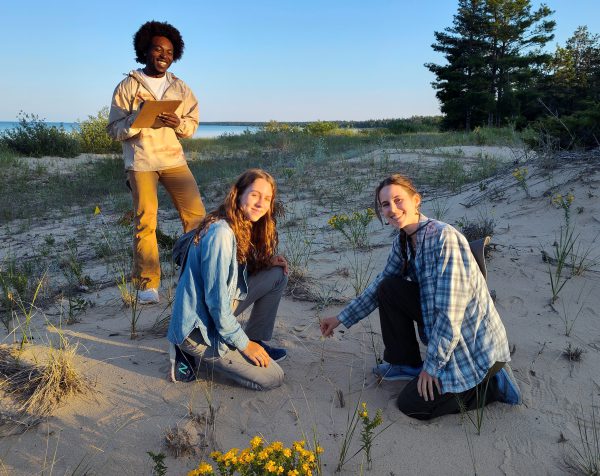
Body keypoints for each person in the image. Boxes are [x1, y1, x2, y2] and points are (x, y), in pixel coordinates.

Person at [320, 174, 521, 420]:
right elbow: (378, 287)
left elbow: (450, 314)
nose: (392, 209)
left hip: (473, 345)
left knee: (411, 405)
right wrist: (340, 318)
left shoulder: (443, 238)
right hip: (444, 328)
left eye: (398, 200)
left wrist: (432, 367)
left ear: (416, 200)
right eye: (385, 204)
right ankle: (404, 363)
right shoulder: (404, 242)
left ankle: (492, 384)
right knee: (388, 287)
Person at [107, 20, 205, 304]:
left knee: (197, 217)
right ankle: (147, 284)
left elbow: (191, 125)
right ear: (145, 50)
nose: (164, 55)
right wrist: (137, 118)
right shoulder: (127, 86)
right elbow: (114, 129)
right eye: (158, 49)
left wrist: (178, 123)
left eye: (170, 51)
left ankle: (196, 272)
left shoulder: (180, 87)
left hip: (173, 159)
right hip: (141, 162)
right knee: (145, 222)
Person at [167, 169, 288, 391]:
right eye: (254, 195)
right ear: (239, 194)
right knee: (273, 378)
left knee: (277, 275)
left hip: (214, 314)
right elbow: (217, 305)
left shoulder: (239, 223)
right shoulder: (221, 234)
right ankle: (184, 348)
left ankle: (256, 339)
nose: (261, 203)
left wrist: (266, 263)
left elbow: (232, 276)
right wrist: (243, 345)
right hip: (198, 328)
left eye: (267, 198)